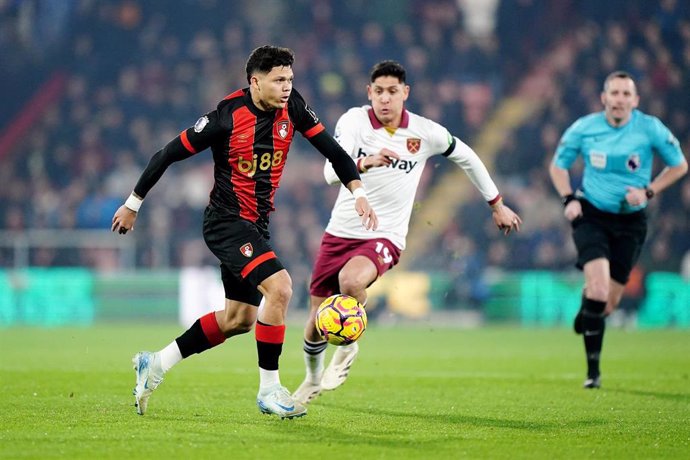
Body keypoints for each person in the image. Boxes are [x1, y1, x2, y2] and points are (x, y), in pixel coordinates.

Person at [111, 45, 378, 419]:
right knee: (281, 287)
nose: (287, 87)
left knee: (239, 319)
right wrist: (133, 203)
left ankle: (155, 363)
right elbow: (167, 153)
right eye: (278, 80)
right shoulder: (226, 116)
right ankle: (270, 390)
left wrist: (359, 193)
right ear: (255, 81)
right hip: (226, 221)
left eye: (290, 79)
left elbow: (334, 152)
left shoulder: (294, 108)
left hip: (256, 224)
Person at [293, 60, 522, 405]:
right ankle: (311, 380)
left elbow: (467, 156)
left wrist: (497, 203)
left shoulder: (425, 132)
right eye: (379, 92)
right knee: (316, 321)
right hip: (340, 232)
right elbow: (329, 172)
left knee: (352, 282)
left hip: (385, 235)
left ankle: (350, 342)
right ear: (369, 93)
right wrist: (364, 162)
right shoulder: (353, 121)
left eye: (393, 92)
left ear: (405, 93)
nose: (385, 99)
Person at [549, 70, 687, 389]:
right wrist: (568, 197)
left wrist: (649, 191)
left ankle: (588, 313)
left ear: (635, 101)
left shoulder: (650, 128)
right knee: (597, 289)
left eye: (626, 94)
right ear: (604, 98)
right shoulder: (584, 128)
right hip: (592, 215)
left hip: (631, 221)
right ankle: (593, 373)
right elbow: (558, 165)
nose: (620, 100)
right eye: (614, 93)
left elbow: (680, 165)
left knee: (607, 304)